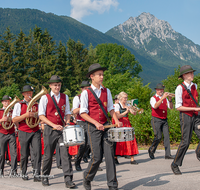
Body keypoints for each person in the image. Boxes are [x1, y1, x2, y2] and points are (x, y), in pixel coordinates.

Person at [80, 63, 123, 190]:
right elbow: (83, 113)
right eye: (99, 74)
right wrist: (96, 123)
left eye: (102, 74)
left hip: (106, 126)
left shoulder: (107, 91)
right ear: (92, 76)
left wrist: (116, 121)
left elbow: (110, 109)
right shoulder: (86, 93)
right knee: (97, 157)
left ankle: (112, 184)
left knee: (109, 155)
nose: (102, 76)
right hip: (93, 127)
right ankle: (87, 177)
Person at [38, 75, 75, 188]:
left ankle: (68, 179)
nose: (57, 87)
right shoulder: (45, 98)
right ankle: (45, 176)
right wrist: (54, 125)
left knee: (65, 154)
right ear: (50, 85)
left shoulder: (65, 97)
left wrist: (67, 122)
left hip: (61, 130)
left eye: (59, 85)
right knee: (48, 155)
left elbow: (68, 112)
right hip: (50, 129)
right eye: (55, 85)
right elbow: (41, 116)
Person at [171, 65, 200, 175]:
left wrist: (196, 110)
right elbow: (178, 107)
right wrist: (194, 108)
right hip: (186, 116)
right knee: (186, 142)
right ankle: (175, 164)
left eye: (192, 73)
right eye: (190, 73)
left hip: (196, 115)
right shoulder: (179, 88)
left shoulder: (195, 86)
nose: (193, 75)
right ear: (184, 75)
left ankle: (198, 152)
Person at [12, 85, 41, 181]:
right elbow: (14, 119)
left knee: (37, 152)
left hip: (35, 130)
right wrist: (26, 115)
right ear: (23, 94)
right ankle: (23, 172)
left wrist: (37, 116)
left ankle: (37, 174)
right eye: (27, 93)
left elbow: (41, 117)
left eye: (31, 93)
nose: (30, 95)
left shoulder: (37, 104)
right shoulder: (18, 105)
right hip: (23, 130)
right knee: (24, 154)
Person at [148, 83, 174, 160]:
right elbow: (155, 106)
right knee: (158, 137)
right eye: (159, 90)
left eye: (162, 90)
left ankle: (168, 154)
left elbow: (171, 107)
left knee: (167, 137)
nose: (161, 91)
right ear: (156, 90)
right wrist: (162, 98)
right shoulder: (153, 98)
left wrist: (170, 99)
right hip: (156, 119)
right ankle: (151, 150)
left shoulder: (165, 98)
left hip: (164, 119)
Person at [114, 92, 139, 164]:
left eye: (126, 97)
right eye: (125, 98)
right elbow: (118, 116)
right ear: (121, 98)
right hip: (120, 123)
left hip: (127, 123)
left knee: (130, 139)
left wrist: (134, 109)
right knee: (119, 141)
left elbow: (133, 113)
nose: (126, 99)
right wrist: (126, 111)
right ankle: (115, 157)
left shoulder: (127, 104)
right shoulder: (117, 105)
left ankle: (132, 159)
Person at [72, 81, 90, 171]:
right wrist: (83, 106)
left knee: (92, 144)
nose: (87, 90)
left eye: (88, 88)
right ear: (82, 89)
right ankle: (77, 162)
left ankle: (93, 164)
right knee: (83, 144)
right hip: (81, 122)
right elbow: (74, 111)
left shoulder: (91, 97)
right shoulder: (77, 98)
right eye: (86, 88)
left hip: (90, 121)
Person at [0, 95, 17, 177]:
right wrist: (1, 120)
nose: (7, 103)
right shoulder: (0, 111)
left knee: (13, 153)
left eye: (8, 101)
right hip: (2, 133)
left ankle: (14, 171)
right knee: (2, 154)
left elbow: (16, 120)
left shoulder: (12, 111)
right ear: (2, 102)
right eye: (5, 101)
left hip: (11, 133)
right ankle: (1, 171)